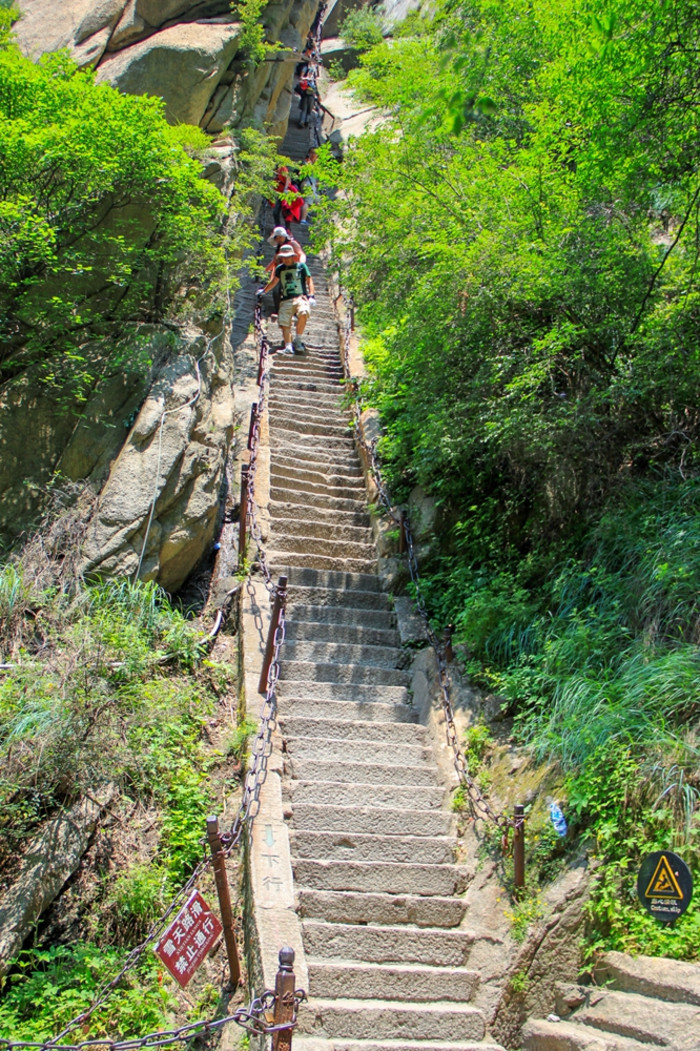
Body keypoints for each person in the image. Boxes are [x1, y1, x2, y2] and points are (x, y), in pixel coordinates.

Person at [257, 245, 315, 355]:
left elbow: (309, 280)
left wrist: (311, 295)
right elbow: (274, 281)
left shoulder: (301, 267)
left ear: (293, 256)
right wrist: (264, 291)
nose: (287, 259)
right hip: (286, 299)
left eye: (289, 257)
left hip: (300, 297)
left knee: (303, 313)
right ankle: (288, 346)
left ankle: (298, 340)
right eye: (284, 257)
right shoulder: (280, 269)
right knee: (284, 322)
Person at [264, 226, 306, 314]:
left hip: (293, 271)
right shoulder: (279, 249)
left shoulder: (293, 244)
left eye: (280, 236)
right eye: (277, 237)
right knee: (276, 291)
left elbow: (301, 254)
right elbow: (274, 261)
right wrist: (265, 270)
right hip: (281, 272)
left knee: (293, 291)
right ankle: (279, 310)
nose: (279, 239)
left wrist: (301, 265)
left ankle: (294, 311)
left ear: (284, 236)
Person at [271, 166, 303, 232]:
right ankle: (278, 227)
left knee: (287, 211)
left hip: (287, 193)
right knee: (276, 212)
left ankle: (287, 229)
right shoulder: (274, 172)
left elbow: (287, 179)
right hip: (280, 194)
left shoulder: (282, 168)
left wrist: (285, 189)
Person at [299, 148, 319, 225]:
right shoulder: (306, 163)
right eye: (312, 153)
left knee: (320, 202)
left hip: (313, 185)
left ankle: (318, 223)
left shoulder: (317, 165)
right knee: (308, 200)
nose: (313, 155)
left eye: (315, 153)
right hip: (307, 184)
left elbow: (316, 180)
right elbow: (302, 174)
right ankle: (303, 220)